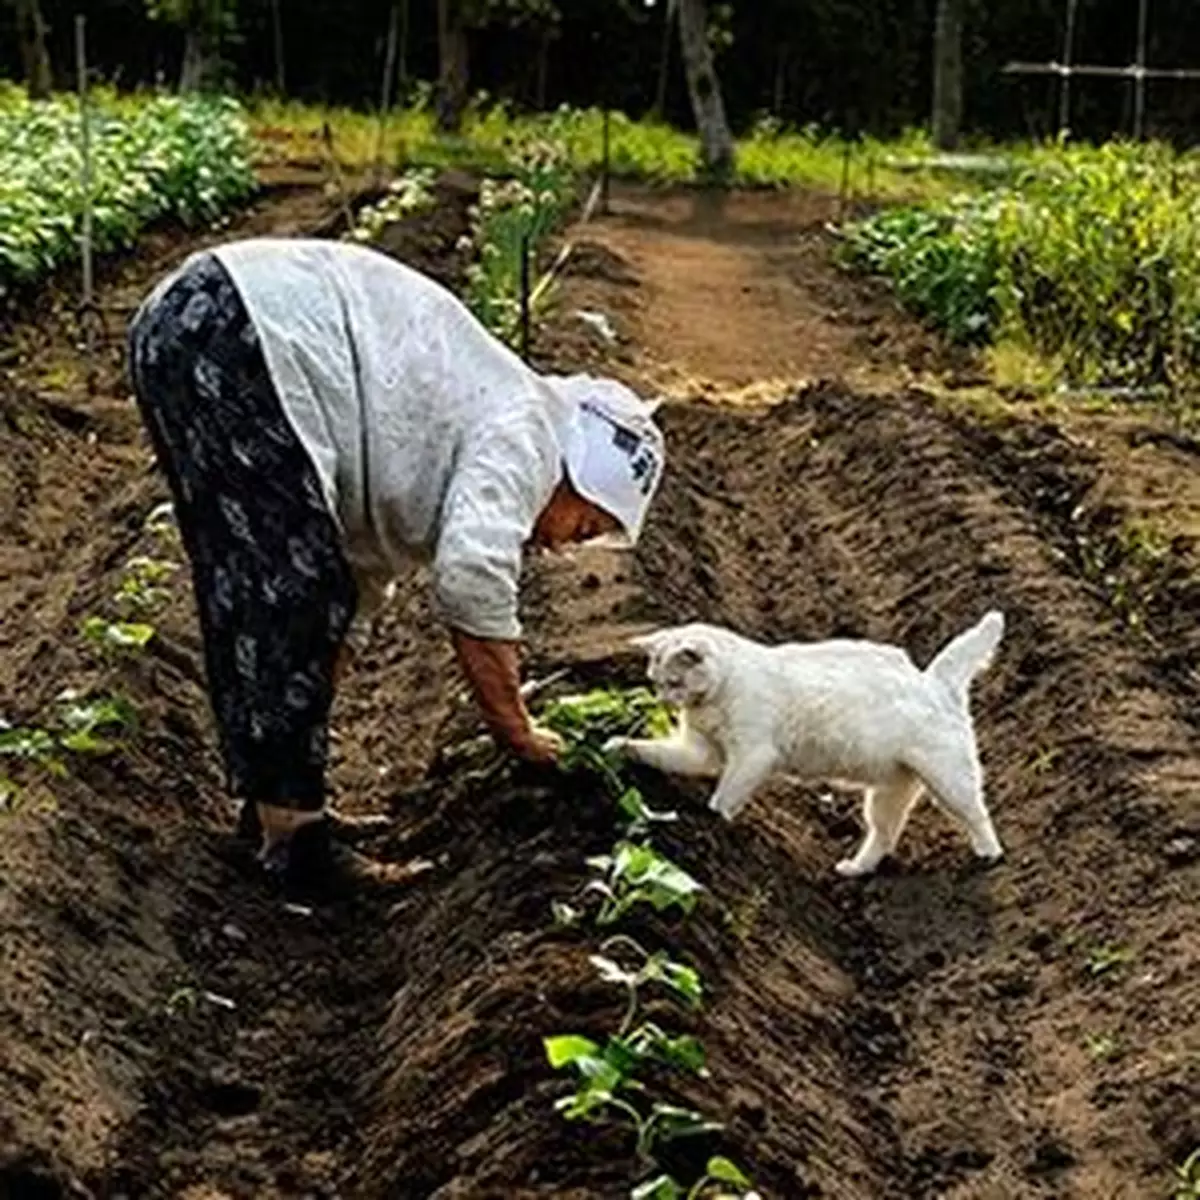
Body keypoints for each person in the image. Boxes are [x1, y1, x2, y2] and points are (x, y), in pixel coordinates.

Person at [127, 237, 666, 893]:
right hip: (237, 327)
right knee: (287, 585)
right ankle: (296, 840)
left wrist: (300, 742)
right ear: (576, 477)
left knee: (289, 588)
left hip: (202, 324)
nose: (563, 545)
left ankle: (278, 810)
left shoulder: (475, 435)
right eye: (584, 525)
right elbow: (472, 576)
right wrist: (517, 734)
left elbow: (347, 605)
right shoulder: (527, 436)